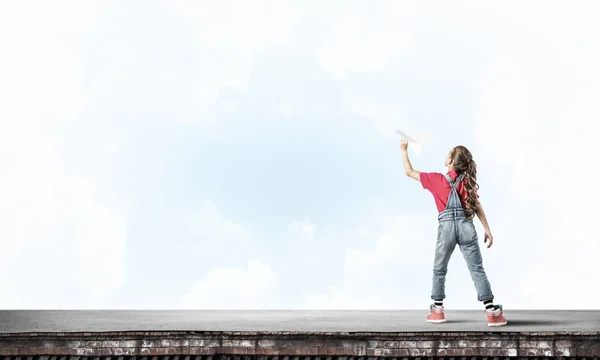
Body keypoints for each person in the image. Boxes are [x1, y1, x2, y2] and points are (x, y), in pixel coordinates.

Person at [399, 139, 507, 327]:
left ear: (450, 161)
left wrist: (403, 149)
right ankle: (492, 313)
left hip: (446, 229)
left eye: (449, 153)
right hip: (466, 226)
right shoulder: (467, 182)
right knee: (477, 269)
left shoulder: (436, 180)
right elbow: (477, 205)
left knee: (439, 269)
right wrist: (487, 229)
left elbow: (409, 172)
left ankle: (438, 311)